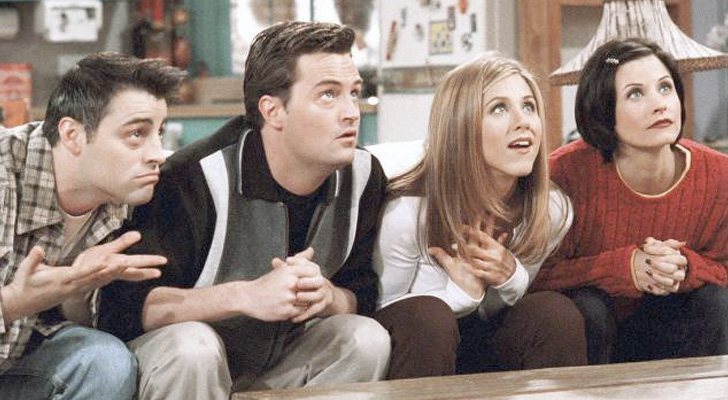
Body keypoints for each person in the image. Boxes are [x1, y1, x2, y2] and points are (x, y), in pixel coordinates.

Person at [98, 21, 390, 399]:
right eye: (328, 95)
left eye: (354, 93)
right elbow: (129, 307)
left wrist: (329, 297)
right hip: (190, 368)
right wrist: (246, 296)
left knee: (365, 338)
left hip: (283, 363)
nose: (351, 112)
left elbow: (362, 292)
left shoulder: (364, 176)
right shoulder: (191, 178)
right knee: (192, 348)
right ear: (273, 110)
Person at [372, 54, 587, 379]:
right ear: (460, 127)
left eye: (529, 106)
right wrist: (461, 294)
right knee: (430, 317)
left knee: (555, 313)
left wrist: (511, 275)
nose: (523, 122)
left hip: (488, 342)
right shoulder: (408, 210)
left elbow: (507, 305)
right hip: (421, 349)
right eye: (499, 108)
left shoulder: (552, 208)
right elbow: (379, 311)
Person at [533, 38, 728, 364]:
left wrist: (685, 267)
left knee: (716, 302)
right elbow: (537, 276)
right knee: (588, 308)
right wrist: (624, 268)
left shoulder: (720, 175)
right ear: (604, 112)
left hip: (675, 328)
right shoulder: (565, 173)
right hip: (594, 330)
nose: (660, 104)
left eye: (665, 88)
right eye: (635, 94)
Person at [0, 52, 183, 399]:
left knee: (104, 361)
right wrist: (12, 302)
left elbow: (77, 322)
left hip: (17, 363)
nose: (157, 154)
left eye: (158, 133)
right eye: (136, 134)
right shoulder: (5, 173)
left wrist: (77, 291)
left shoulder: (123, 192)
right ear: (72, 134)